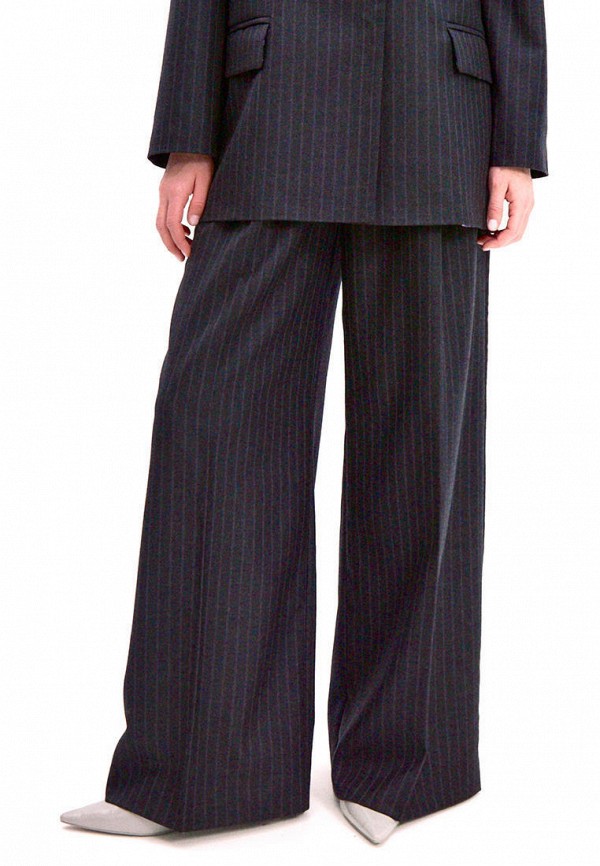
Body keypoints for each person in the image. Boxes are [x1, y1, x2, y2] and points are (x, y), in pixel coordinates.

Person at [60, 0, 548, 846]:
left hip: (438, 109)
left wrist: (517, 140)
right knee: (214, 432)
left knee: (421, 450)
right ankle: (198, 767)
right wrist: (189, 136)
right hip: (269, 104)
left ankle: (405, 764)